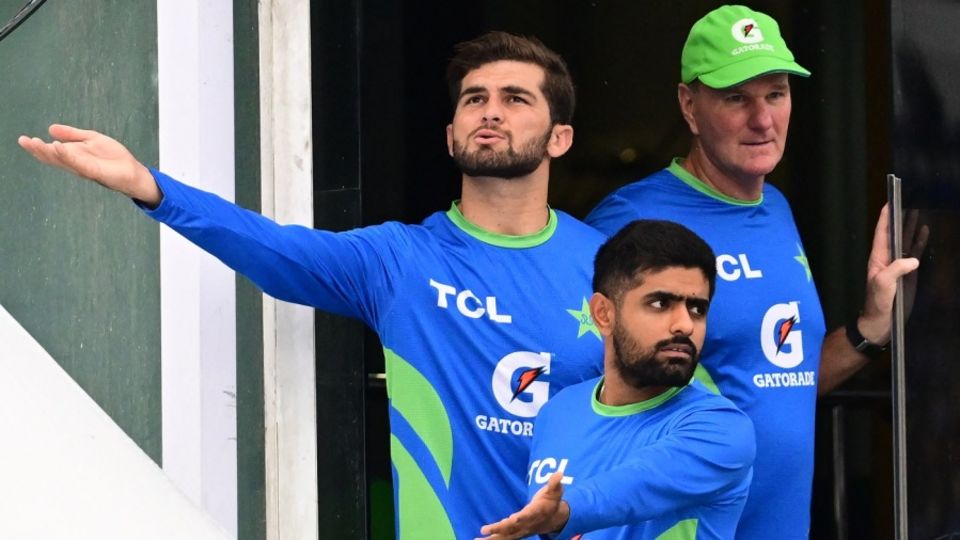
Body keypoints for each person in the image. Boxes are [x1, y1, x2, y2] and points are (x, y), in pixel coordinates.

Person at [18, 32, 607, 538]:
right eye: (474, 99)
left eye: (515, 99)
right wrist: (152, 187)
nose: (490, 111)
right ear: (451, 134)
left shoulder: (612, 266)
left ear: (560, 138)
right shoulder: (399, 260)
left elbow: (676, 416)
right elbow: (276, 250)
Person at [584, 6, 922, 539]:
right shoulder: (630, 219)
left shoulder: (777, 210)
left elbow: (779, 381)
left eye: (776, 94)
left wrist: (868, 328)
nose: (762, 119)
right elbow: (591, 394)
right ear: (689, 107)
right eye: (735, 98)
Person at [479, 219, 756, 540]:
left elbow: (639, 485)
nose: (685, 325)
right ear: (603, 314)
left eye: (697, 308)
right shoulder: (558, 412)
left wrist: (564, 513)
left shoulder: (723, 429)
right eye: (660, 303)